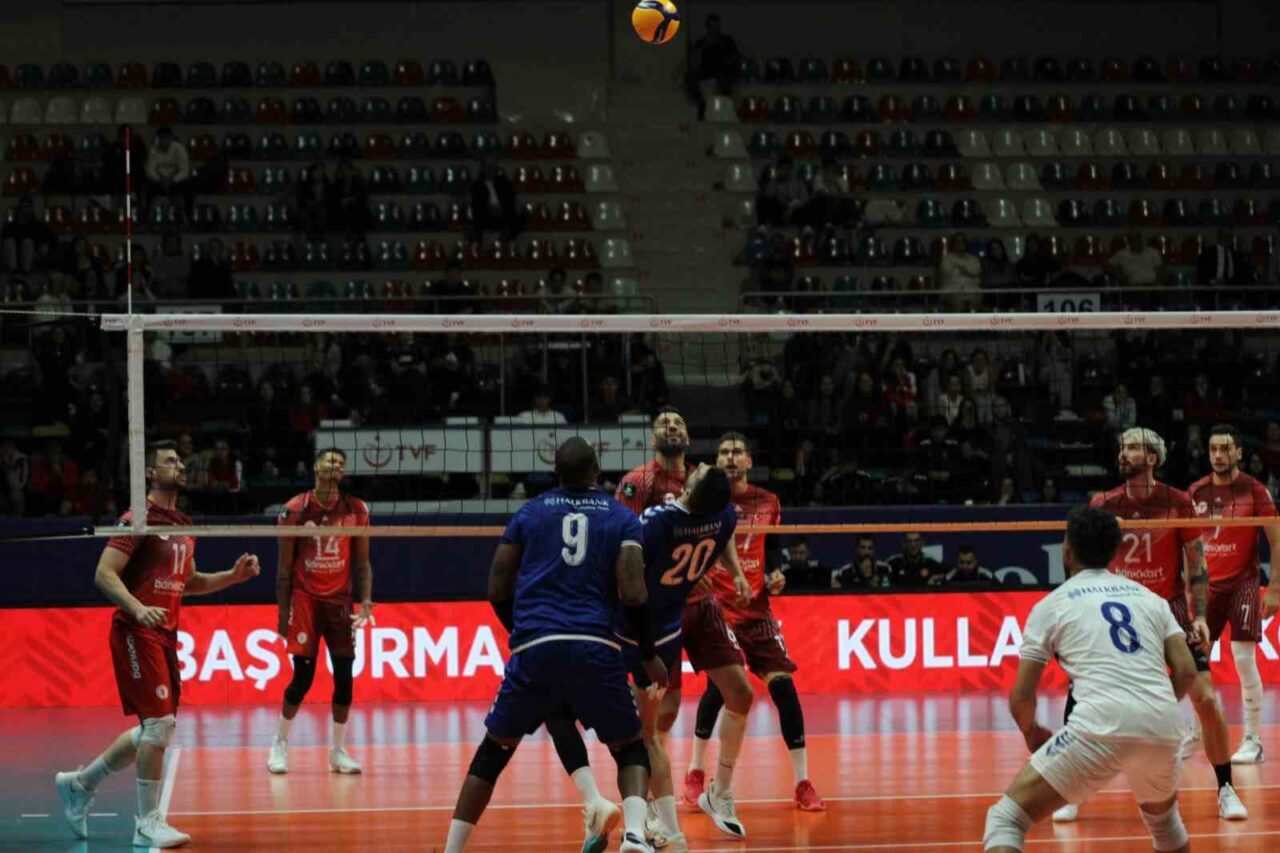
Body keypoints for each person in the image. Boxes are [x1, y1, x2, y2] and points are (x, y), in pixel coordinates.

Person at [443, 438, 662, 853]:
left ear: (555, 474)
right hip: (595, 644)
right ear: (596, 471)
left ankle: (453, 849)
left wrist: (526, 632)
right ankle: (635, 834)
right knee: (630, 747)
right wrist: (648, 654)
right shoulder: (621, 517)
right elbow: (634, 591)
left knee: (494, 751)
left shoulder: (529, 512)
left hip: (537, 646)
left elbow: (496, 587)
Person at [55, 441, 259, 847]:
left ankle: (80, 784)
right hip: (135, 630)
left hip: (165, 634)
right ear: (150, 472)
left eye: (181, 461)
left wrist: (232, 577)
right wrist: (137, 607)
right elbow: (104, 573)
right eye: (170, 461)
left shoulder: (183, 523)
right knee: (159, 725)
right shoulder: (138, 518)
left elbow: (190, 582)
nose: (179, 466)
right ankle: (147, 822)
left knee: (154, 729)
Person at [982, 505, 1197, 853]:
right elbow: (1186, 671)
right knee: (1165, 824)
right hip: (1164, 726)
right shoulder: (1152, 599)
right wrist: (1148, 708)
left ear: (1067, 552)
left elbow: (1021, 696)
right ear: (1114, 553)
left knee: (1005, 819)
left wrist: (1031, 731)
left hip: (1099, 726)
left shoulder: (1052, 605)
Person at [1068, 426, 1247, 822]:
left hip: (1168, 609)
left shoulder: (1178, 502)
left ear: (1151, 458)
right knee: (1079, 694)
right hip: (1116, 608)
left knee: (1206, 697)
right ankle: (1071, 790)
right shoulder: (1103, 503)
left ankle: (1227, 788)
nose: (1123, 453)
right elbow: (1082, 562)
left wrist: (1200, 616)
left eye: (1132, 448)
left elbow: (1197, 564)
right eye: (1122, 447)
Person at [614, 413, 756, 843]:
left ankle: (719, 793)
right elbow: (626, 547)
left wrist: (735, 572)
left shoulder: (703, 489)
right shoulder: (638, 483)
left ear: (689, 436)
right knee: (663, 714)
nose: (673, 427)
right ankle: (653, 805)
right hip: (661, 614)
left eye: (679, 422)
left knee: (741, 693)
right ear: (653, 436)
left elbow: (719, 532)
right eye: (665, 422)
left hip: (699, 604)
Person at [686, 434, 828, 813]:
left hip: (757, 610)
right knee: (721, 689)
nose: (730, 458)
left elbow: (773, 549)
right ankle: (695, 771)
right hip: (718, 611)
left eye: (737, 452)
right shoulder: (706, 500)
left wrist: (776, 575)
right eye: (723, 453)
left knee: (784, 689)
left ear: (749, 461)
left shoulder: (769, 501)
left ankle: (802, 783)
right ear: (717, 461)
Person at [267, 448, 373, 775]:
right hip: (305, 601)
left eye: (341, 462)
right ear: (316, 466)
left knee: (344, 678)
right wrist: (283, 613)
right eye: (330, 460)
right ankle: (279, 743)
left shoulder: (356, 509)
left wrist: (366, 600)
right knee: (303, 678)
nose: (336, 465)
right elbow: (284, 569)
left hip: (340, 602)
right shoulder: (295, 509)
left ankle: (338, 751)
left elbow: (362, 562)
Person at [1187, 424, 1280, 764]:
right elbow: (1186, 542)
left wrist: (1275, 589)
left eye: (1225, 449)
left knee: (1242, 658)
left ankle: (1253, 741)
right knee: (1196, 662)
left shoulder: (1255, 491)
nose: (1218, 455)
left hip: (1243, 583)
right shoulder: (1196, 491)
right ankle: (1197, 732)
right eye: (1213, 449)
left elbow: (1277, 540)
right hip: (1207, 587)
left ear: (1239, 452)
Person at [931, 545, 997, 588]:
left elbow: (999, 588)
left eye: (969, 563)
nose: (965, 566)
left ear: (976, 562)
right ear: (957, 562)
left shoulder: (985, 574)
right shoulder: (951, 575)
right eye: (961, 562)